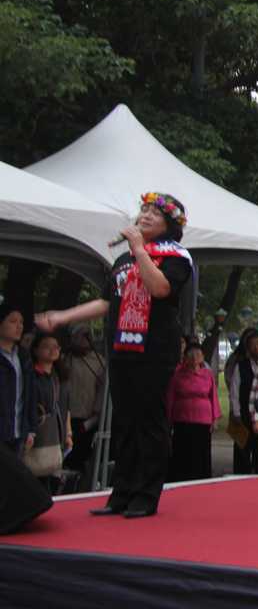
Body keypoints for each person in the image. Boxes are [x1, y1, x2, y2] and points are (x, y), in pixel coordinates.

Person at [35, 192, 193, 518]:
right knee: (125, 420)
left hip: (154, 349)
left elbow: (160, 288)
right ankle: (121, 493)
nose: (145, 216)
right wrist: (63, 317)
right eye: (144, 210)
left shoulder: (176, 256)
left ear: (170, 224)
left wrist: (138, 249)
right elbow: (107, 302)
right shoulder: (123, 261)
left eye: (154, 213)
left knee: (149, 421)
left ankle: (146, 495)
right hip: (123, 346)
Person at [165, 341, 220, 482]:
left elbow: (213, 396)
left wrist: (215, 418)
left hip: (203, 419)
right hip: (182, 419)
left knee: (202, 451)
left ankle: (202, 479)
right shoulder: (177, 375)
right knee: (183, 451)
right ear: (185, 357)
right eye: (191, 355)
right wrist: (168, 420)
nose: (195, 358)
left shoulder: (207, 375)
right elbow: (171, 397)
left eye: (198, 354)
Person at [24, 332, 72, 492]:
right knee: (34, 474)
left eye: (56, 347)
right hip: (38, 431)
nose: (53, 350)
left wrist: (68, 433)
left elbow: (66, 408)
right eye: (46, 346)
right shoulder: (32, 376)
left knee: (50, 475)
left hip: (56, 432)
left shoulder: (59, 377)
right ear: (36, 350)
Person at [61, 326, 105, 482]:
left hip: (86, 420)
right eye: (80, 336)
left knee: (80, 459)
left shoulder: (99, 361)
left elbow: (102, 393)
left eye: (87, 336)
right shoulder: (65, 359)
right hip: (65, 417)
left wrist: (93, 420)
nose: (84, 339)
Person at [234, 327, 258, 475]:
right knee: (241, 449)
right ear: (248, 347)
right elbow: (234, 391)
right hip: (242, 412)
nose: (257, 348)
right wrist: (236, 413)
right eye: (253, 344)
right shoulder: (241, 366)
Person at [0, 303, 31, 456]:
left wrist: (30, 429)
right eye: (13, 321)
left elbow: (29, 394)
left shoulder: (23, 356)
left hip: (18, 432)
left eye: (21, 322)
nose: (19, 326)